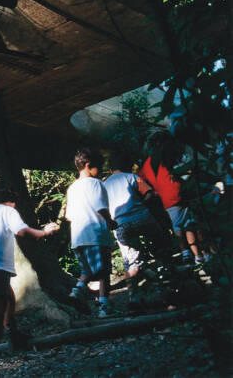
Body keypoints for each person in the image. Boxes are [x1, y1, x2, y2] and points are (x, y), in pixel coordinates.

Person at [0, 186, 59, 346]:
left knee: (9, 298)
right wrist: (44, 232)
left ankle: (13, 332)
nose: (15, 206)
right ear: (9, 201)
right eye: (14, 202)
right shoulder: (7, 211)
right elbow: (22, 231)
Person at [103, 151, 178, 308]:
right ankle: (170, 289)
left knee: (131, 261)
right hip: (143, 217)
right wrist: (143, 204)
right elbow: (150, 194)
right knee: (160, 248)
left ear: (111, 168)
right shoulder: (132, 177)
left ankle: (134, 298)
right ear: (128, 166)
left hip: (121, 224)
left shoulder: (104, 184)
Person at [139, 131, 211, 264]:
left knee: (178, 227)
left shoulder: (148, 163)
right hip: (182, 192)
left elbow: (141, 180)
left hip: (166, 199)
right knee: (192, 224)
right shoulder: (170, 154)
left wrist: (151, 192)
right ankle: (204, 254)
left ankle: (187, 253)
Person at [65, 148, 118, 317]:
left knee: (86, 270)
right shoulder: (96, 184)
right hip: (96, 233)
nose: (100, 171)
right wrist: (110, 222)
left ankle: (77, 290)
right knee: (104, 273)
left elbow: (69, 216)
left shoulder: (72, 188)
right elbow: (100, 206)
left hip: (78, 236)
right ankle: (104, 307)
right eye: (98, 167)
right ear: (88, 166)